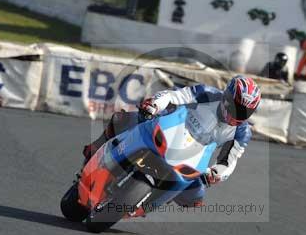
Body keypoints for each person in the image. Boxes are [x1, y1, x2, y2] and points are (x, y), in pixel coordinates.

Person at [81, 76, 262, 217]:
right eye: (235, 106)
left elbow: (229, 162)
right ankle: (97, 147)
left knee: (195, 197)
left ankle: (150, 199)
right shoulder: (207, 94)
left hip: (192, 157)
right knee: (126, 118)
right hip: (169, 128)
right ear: (227, 97)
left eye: (244, 111)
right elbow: (173, 95)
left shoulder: (242, 132)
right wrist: (154, 105)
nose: (238, 113)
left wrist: (216, 174)